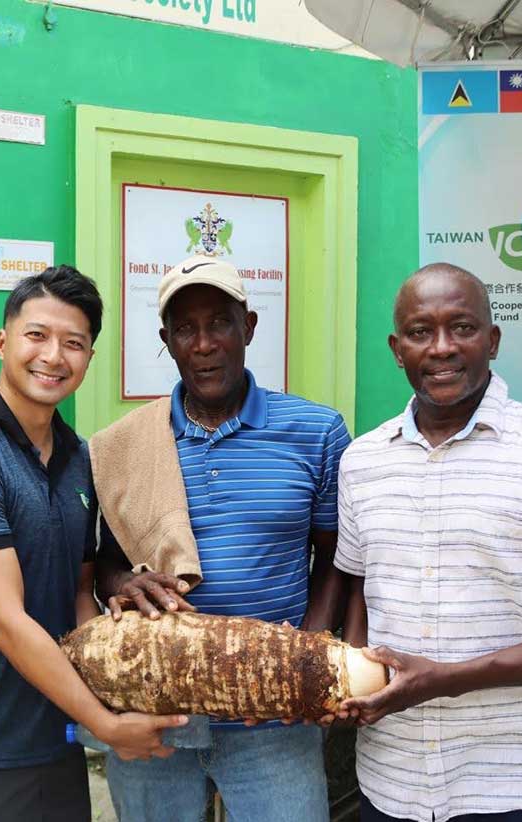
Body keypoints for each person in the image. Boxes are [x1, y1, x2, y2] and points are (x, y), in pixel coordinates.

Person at [333, 263, 522, 822]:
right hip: (392, 780)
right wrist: (349, 675)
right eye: (421, 332)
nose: (442, 347)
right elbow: (360, 589)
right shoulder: (362, 461)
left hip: (516, 785)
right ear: (397, 350)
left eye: (462, 327)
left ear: (492, 341)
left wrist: (447, 681)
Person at [0, 266, 184, 822]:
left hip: (55, 738)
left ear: (89, 358)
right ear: (3, 342)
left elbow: (79, 594)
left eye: (73, 343)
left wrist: (112, 690)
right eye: (37, 335)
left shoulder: (78, 457)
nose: (53, 356)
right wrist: (106, 726)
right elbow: (2, 619)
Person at [95, 255, 352, 822]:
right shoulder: (127, 444)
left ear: (249, 327)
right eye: (185, 329)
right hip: (156, 705)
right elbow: (107, 564)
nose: (204, 344)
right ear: (167, 341)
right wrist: (122, 585)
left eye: (220, 323)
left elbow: (336, 557)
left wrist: (303, 662)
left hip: (273, 717)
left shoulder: (316, 432)